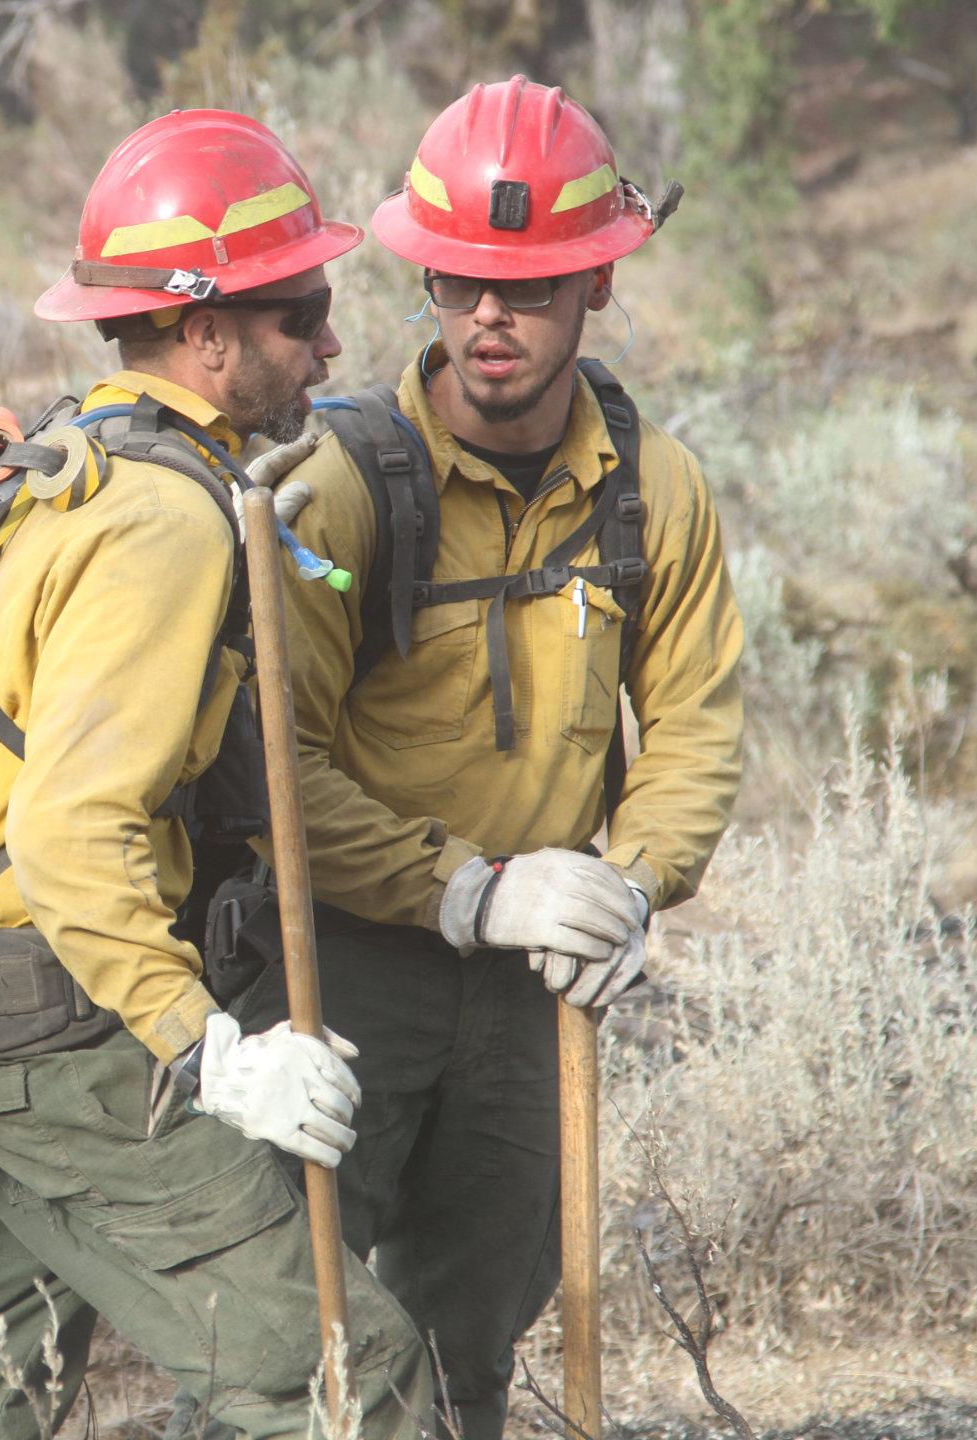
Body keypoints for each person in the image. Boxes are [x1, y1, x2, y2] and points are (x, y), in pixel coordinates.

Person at [0, 109, 434, 1440]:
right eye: (301, 313)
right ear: (207, 334)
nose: (334, 345)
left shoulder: (79, 457)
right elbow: (72, 839)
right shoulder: (163, 520)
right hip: (58, 1029)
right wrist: (212, 1053)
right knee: (347, 1375)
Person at [249, 77, 744, 1438]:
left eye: (526, 289)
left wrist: (631, 886)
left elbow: (696, 718)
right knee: (314, 1322)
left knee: (488, 1301)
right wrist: (461, 886)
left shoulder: (657, 488)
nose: (488, 316)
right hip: (345, 960)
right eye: (458, 280)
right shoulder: (338, 482)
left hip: (538, 979)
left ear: (597, 284)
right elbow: (275, 765)